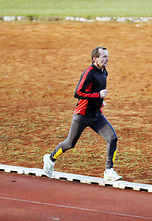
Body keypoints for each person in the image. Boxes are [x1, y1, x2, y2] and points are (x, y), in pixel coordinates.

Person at [43, 46, 122, 181]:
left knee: (112, 138)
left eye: (108, 56)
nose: (107, 59)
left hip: (96, 116)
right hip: (82, 116)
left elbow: (98, 89)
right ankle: (50, 158)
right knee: (70, 144)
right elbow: (77, 93)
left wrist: (100, 101)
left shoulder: (104, 72)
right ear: (95, 59)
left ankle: (109, 170)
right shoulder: (89, 73)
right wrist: (98, 95)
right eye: (104, 57)